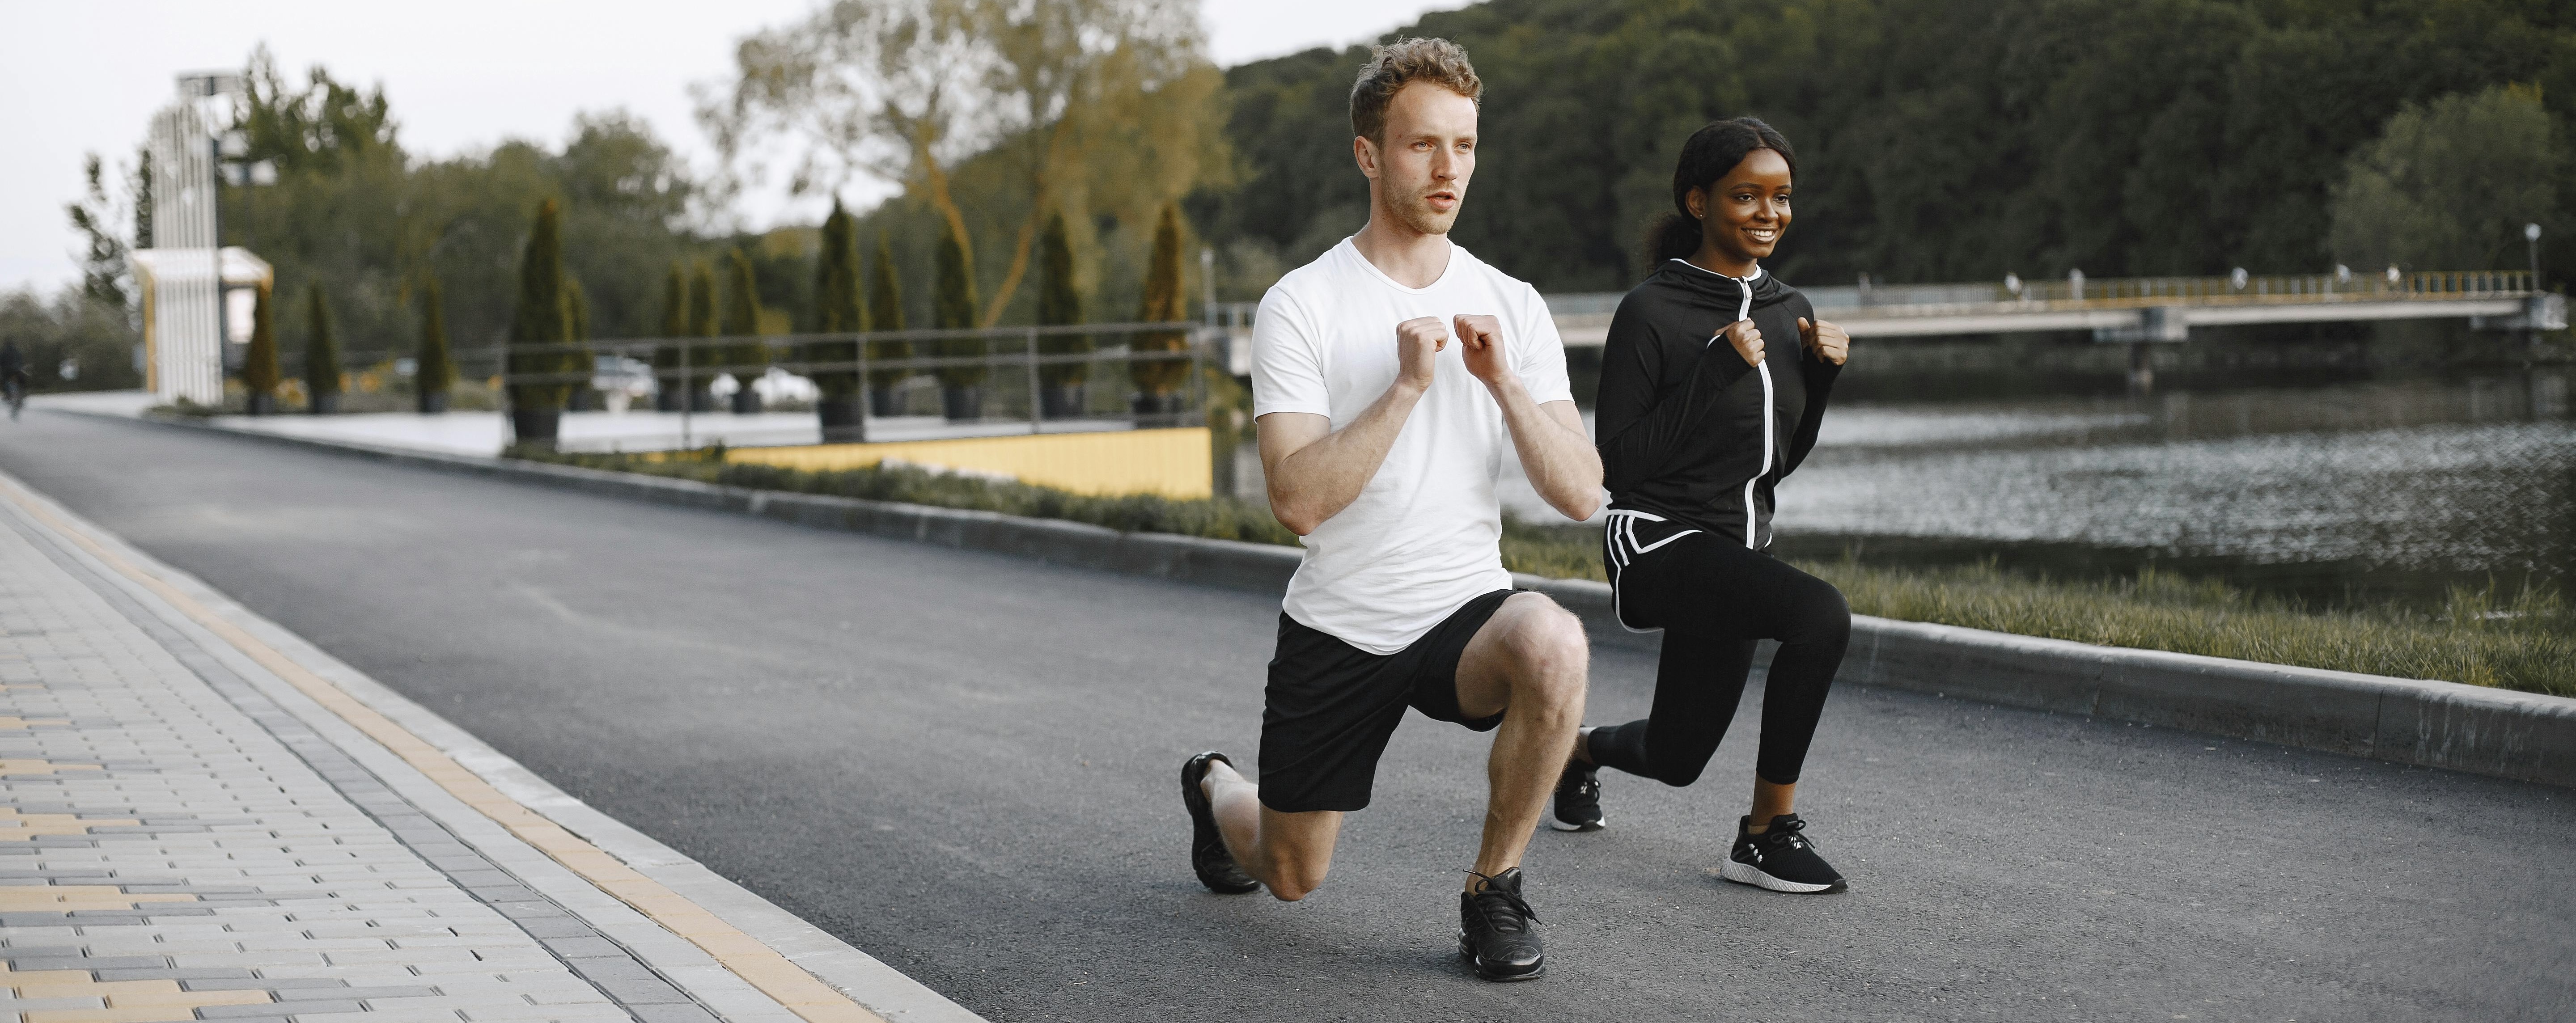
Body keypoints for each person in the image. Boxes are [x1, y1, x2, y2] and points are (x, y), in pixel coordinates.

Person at [1179, 38, 1602, 982]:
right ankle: (1214, 789)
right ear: (1369, 154)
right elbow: (1295, 500)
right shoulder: (1303, 304)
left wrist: (1506, 389)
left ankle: (1494, 888)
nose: (1448, 168)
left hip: (1464, 609)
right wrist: (1408, 386)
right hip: (1343, 620)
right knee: (1290, 874)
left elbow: (1580, 491)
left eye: (1465, 145)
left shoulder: (1512, 304)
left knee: (1557, 642)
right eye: (1422, 145)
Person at [1549, 118, 1857, 895]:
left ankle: (1576, 752)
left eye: (1782, 196)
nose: (1769, 212)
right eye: (1746, 194)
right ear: (1698, 201)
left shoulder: (1792, 310)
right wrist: (1715, 367)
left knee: (1677, 757)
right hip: (1654, 543)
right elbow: (1618, 466)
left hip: (1733, 550)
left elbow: (1778, 460)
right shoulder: (1651, 312)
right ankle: (1764, 834)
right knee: (1820, 613)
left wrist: (1818, 384)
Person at [0, 339, 26, 420]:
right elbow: (21, 360)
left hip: (7, 372)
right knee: (22, 383)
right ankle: (22, 395)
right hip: (17, 371)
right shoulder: (17, 352)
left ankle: (7, 395)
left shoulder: (4, 352)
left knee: (5, 382)